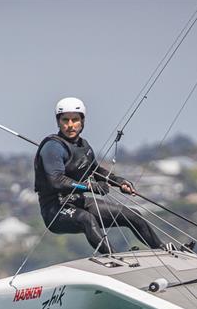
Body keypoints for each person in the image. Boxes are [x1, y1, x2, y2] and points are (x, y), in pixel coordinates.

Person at [34, 97, 168, 254]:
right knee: (86, 219)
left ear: (82, 121)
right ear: (58, 122)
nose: (70, 125)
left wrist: (118, 181)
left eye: (75, 120)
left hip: (79, 202)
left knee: (132, 215)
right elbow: (56, 181)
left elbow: (94, 171)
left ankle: (163, 250)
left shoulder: (83, 146)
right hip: (55, 210)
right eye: (65, 120)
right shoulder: (53, 148)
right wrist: (90, 187)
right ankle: (113, 257)